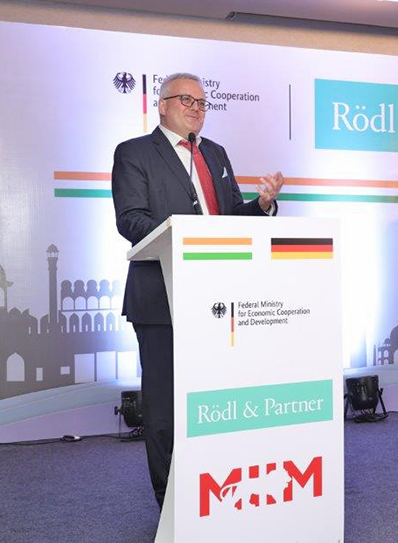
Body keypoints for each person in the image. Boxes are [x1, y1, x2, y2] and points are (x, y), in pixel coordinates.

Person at [111, 73, 284, 507]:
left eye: (202, 103)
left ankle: (215, 497)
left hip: (218, 299)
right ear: (162, 105)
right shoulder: (134, 152)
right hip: (161, 298)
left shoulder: (215, 153)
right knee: (166, 408)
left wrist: (262, 206)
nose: (196, 108)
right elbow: (130, 219)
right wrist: (187, 238)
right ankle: (173, 506)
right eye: (186, 100)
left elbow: (231, 218)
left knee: (214, 403)